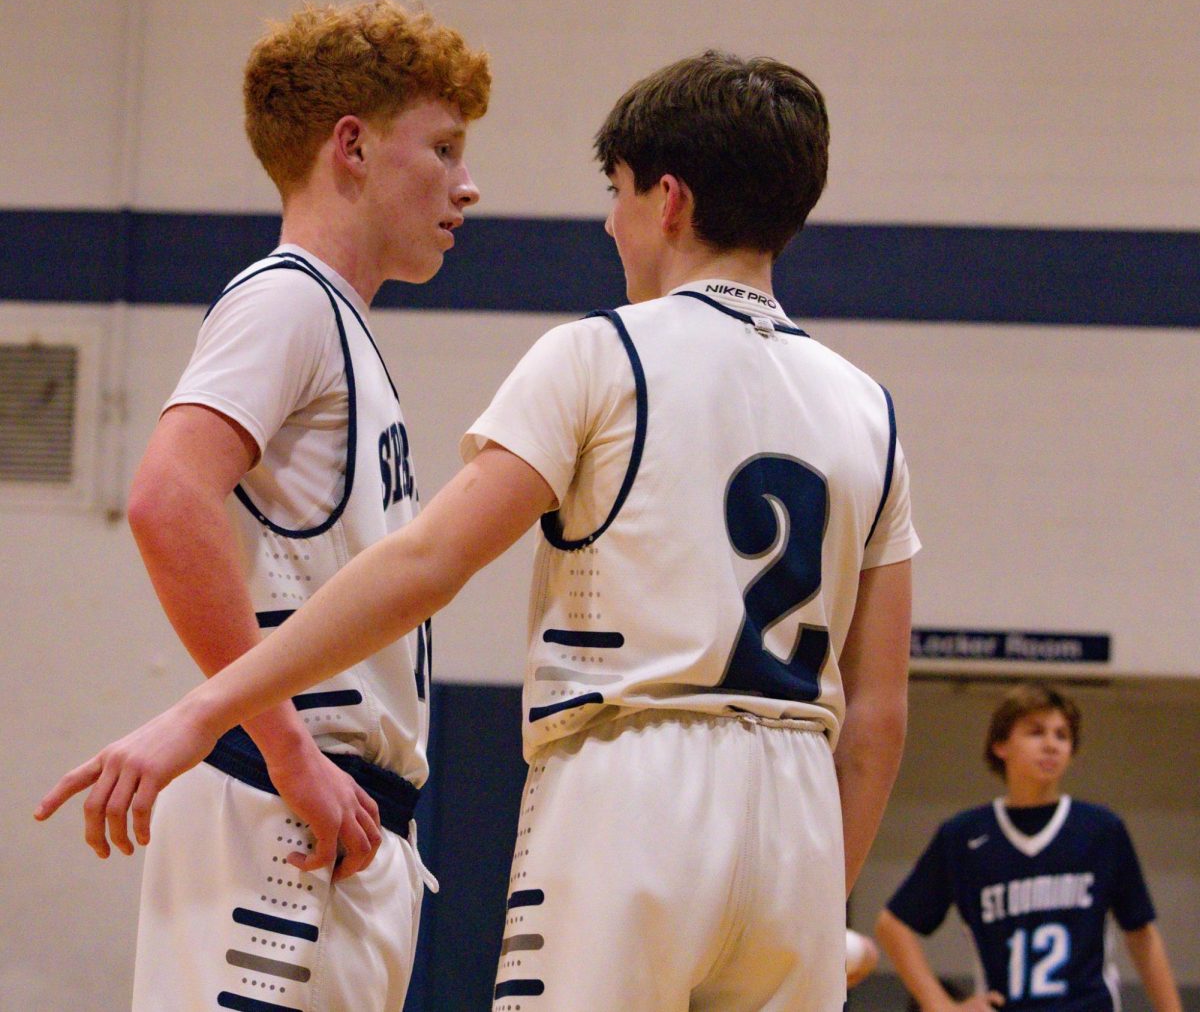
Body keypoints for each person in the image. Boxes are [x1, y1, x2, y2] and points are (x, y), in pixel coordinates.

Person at [39, 50, 918, 1011]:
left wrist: (198, 710)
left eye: (615, 193)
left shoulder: (603, 351)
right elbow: (876, 718)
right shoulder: (869, 409)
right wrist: (805, 899)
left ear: (666, 201)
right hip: (800, 810)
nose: (609, 222)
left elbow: (427, 562)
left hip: (635, 788)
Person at [37, 0, 488, 1012]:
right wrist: (286, 748)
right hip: (276, 797)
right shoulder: (285, 299)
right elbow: (164, 495)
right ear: (354, 147)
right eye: (446, 147)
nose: (467, 184)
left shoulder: (339, 322)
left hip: (337, 810)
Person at [875, 683, 1183, 1012]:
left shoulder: (1101, 829)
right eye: (1036, 732)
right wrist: (942, 1006)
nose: (1051, 744)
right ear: (1000, 745)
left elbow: (1142, 935)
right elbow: (893, 926)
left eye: (1062, 735)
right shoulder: (964, 836)